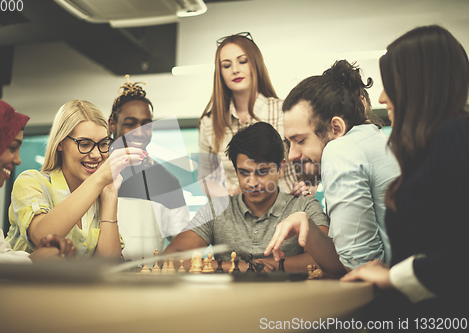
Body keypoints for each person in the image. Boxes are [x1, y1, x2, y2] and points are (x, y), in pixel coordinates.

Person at [341, 25, 469, 317]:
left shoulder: (455, 134)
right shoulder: (434, 145)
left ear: (418, 85)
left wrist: (393, 277)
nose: (383, 98)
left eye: (391, 84)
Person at [264, 60, 400, 276]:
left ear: (336, 128)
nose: (291, 155)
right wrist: (306, 226)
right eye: (289, 143)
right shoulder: (373, 138)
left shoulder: (341, 150)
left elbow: (359, 267)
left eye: (300, 140)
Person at [164, 122, 328, 272]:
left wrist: (268, 266)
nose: (251, 182)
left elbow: (328, 260)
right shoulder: (217, 209)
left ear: (280, 168)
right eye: (244, 173)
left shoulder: (305, 207)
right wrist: (244, 268)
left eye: (262, 172)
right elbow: (171, 257)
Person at [6, 100, 144, 259]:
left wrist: (110, 194)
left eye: (103, 144)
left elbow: (108, 265)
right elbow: (42, 236)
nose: (96, 155)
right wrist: (99, 178)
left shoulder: (100, 196)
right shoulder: (31, 182)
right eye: (85, 144)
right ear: (60, 143)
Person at [0, 84, 75, 262]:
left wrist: (46, 253)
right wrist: (35, 260)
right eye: (11, 148)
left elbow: (1, 254)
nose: (18, 160)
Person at [198, 32, 297, 197]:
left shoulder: (284, 112)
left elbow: (309, 165)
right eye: (226, 65)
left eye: (243, 61)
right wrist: (231, 193)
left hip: (285, 210)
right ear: (220, 73)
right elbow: (206, 178)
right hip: (240, 215)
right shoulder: (210, 123)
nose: (235, 70)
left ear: (255, 64)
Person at [108, 77, 189, 260]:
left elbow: (182, 240)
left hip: (146, 282)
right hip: (95, 281)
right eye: (130, 123)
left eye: (146, 124)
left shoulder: (166, 181)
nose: (139, 131)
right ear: (113, 124)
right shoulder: (93, 173)